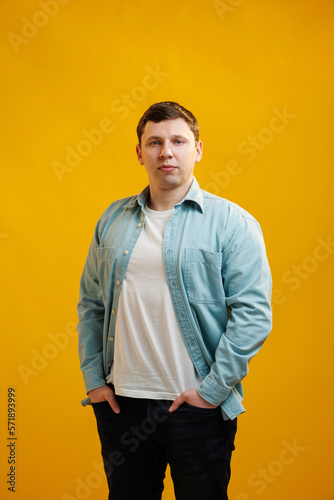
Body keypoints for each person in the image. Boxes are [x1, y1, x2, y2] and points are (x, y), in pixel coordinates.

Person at [77, 101, 272, 500]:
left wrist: (212, 391)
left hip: (196, 408)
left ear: (197, 149)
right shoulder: (112, 220)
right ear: (140, 153)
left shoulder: (232, 223)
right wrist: (95, 380)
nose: (166, 151)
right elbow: (92, 305)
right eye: (155, 142)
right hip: (123, 406)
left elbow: (253, 316)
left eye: (178, 141)